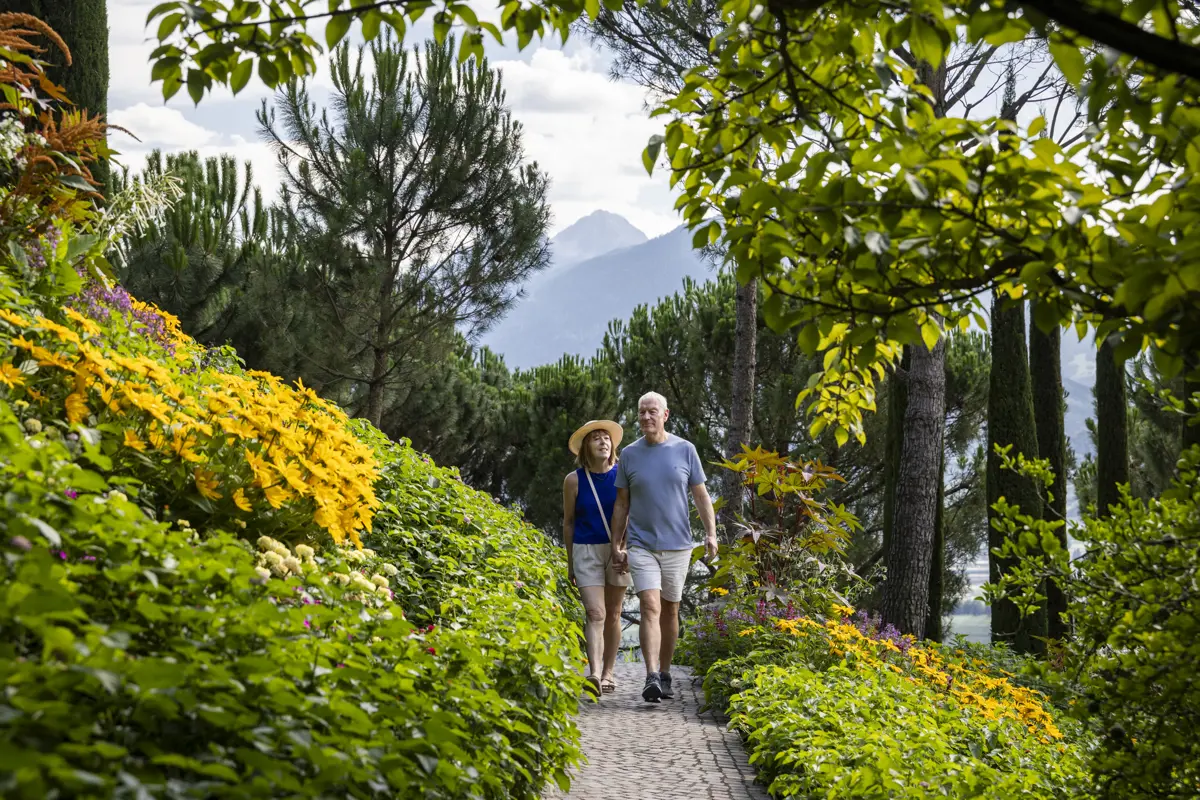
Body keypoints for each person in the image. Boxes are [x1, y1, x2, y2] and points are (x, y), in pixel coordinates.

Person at [611, 391, 718, 703]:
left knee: (670, 609)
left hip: (679, 546)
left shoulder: (685, 450)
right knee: (650, 606)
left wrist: (711, 533)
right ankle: (651, 676)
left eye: (652, 411)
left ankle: (666, 672)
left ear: (665, 415)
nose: (646, 417)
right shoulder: (629, 454)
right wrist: (617, 543)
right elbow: (621, 504)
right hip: (641, 544)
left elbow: (701, 495)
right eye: (642, 412)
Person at [563, 419, 631, 697]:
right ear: (585, 448)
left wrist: (625, 548)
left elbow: (632, 513)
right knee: (595, 612)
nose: (603, 442)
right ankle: (593, 673)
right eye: (596, 438)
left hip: (618, 550)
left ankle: (608, 673)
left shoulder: (623, 475)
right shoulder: (573, 480)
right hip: (585, 550)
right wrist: (570, 562)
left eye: (606, 438)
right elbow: (568, 522)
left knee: (614, 613)